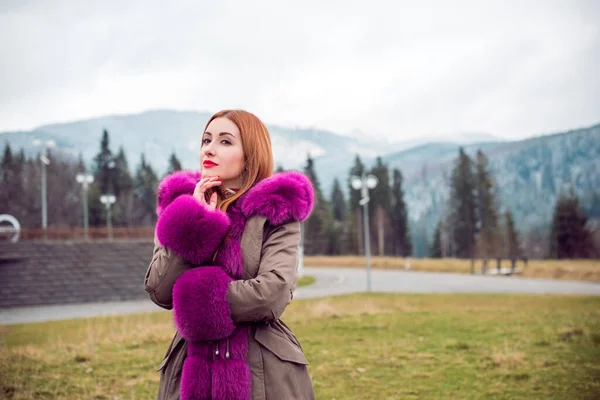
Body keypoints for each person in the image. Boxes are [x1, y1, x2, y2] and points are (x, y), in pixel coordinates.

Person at [144, 109, 316, 400]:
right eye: (206, 140)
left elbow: (273, 292)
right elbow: (160, 290)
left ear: (250, 154)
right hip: (190, 369)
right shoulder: (181, 208)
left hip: (262, 371)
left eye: (225, 142)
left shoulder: (274, 212)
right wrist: (194, 222)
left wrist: (199, 299)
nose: (210, 149)